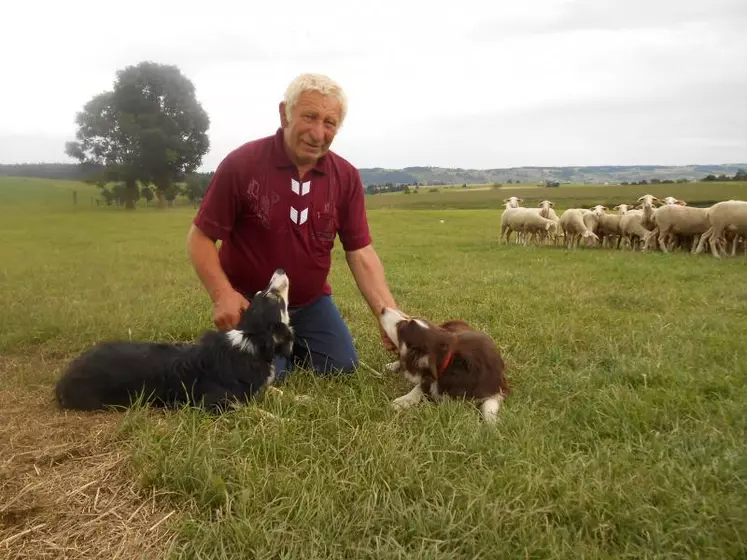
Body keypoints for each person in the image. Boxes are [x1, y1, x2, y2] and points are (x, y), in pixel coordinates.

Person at [186, 72, 398, 381]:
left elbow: (360, 252)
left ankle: (290, 345)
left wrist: (388, 315)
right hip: (255, 303)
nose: (318, 133)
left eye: (329, 123)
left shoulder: (346, 177)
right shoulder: (242, 164)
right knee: (265, 377)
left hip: (311, 304)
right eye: (309, 117)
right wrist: (224, 295)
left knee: (340, 367)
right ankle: (263, 350)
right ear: (285, 113)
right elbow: (200, 238)